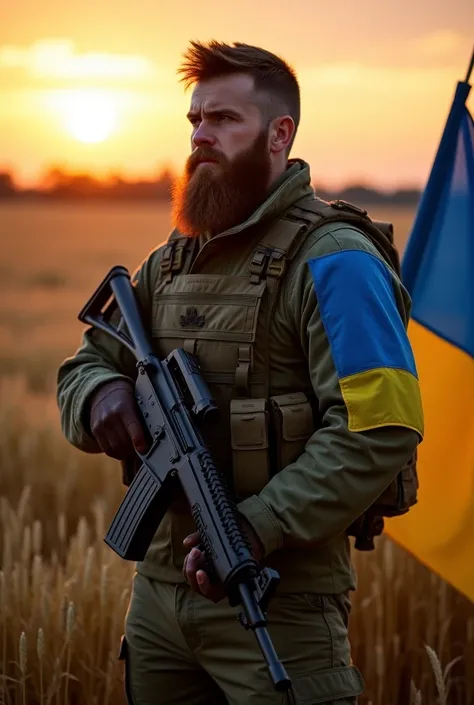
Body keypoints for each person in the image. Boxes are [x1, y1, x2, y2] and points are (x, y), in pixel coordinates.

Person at [57, 40, 424, 705]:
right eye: (195, 120)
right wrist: (99, 394)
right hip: (161, 601)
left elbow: (381, 427)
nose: (201, 137)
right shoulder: (170, 262)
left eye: (224, 120)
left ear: (279, 133)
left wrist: (257, 526)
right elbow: (83, 364)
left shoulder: (336, 258)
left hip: (277, 600)